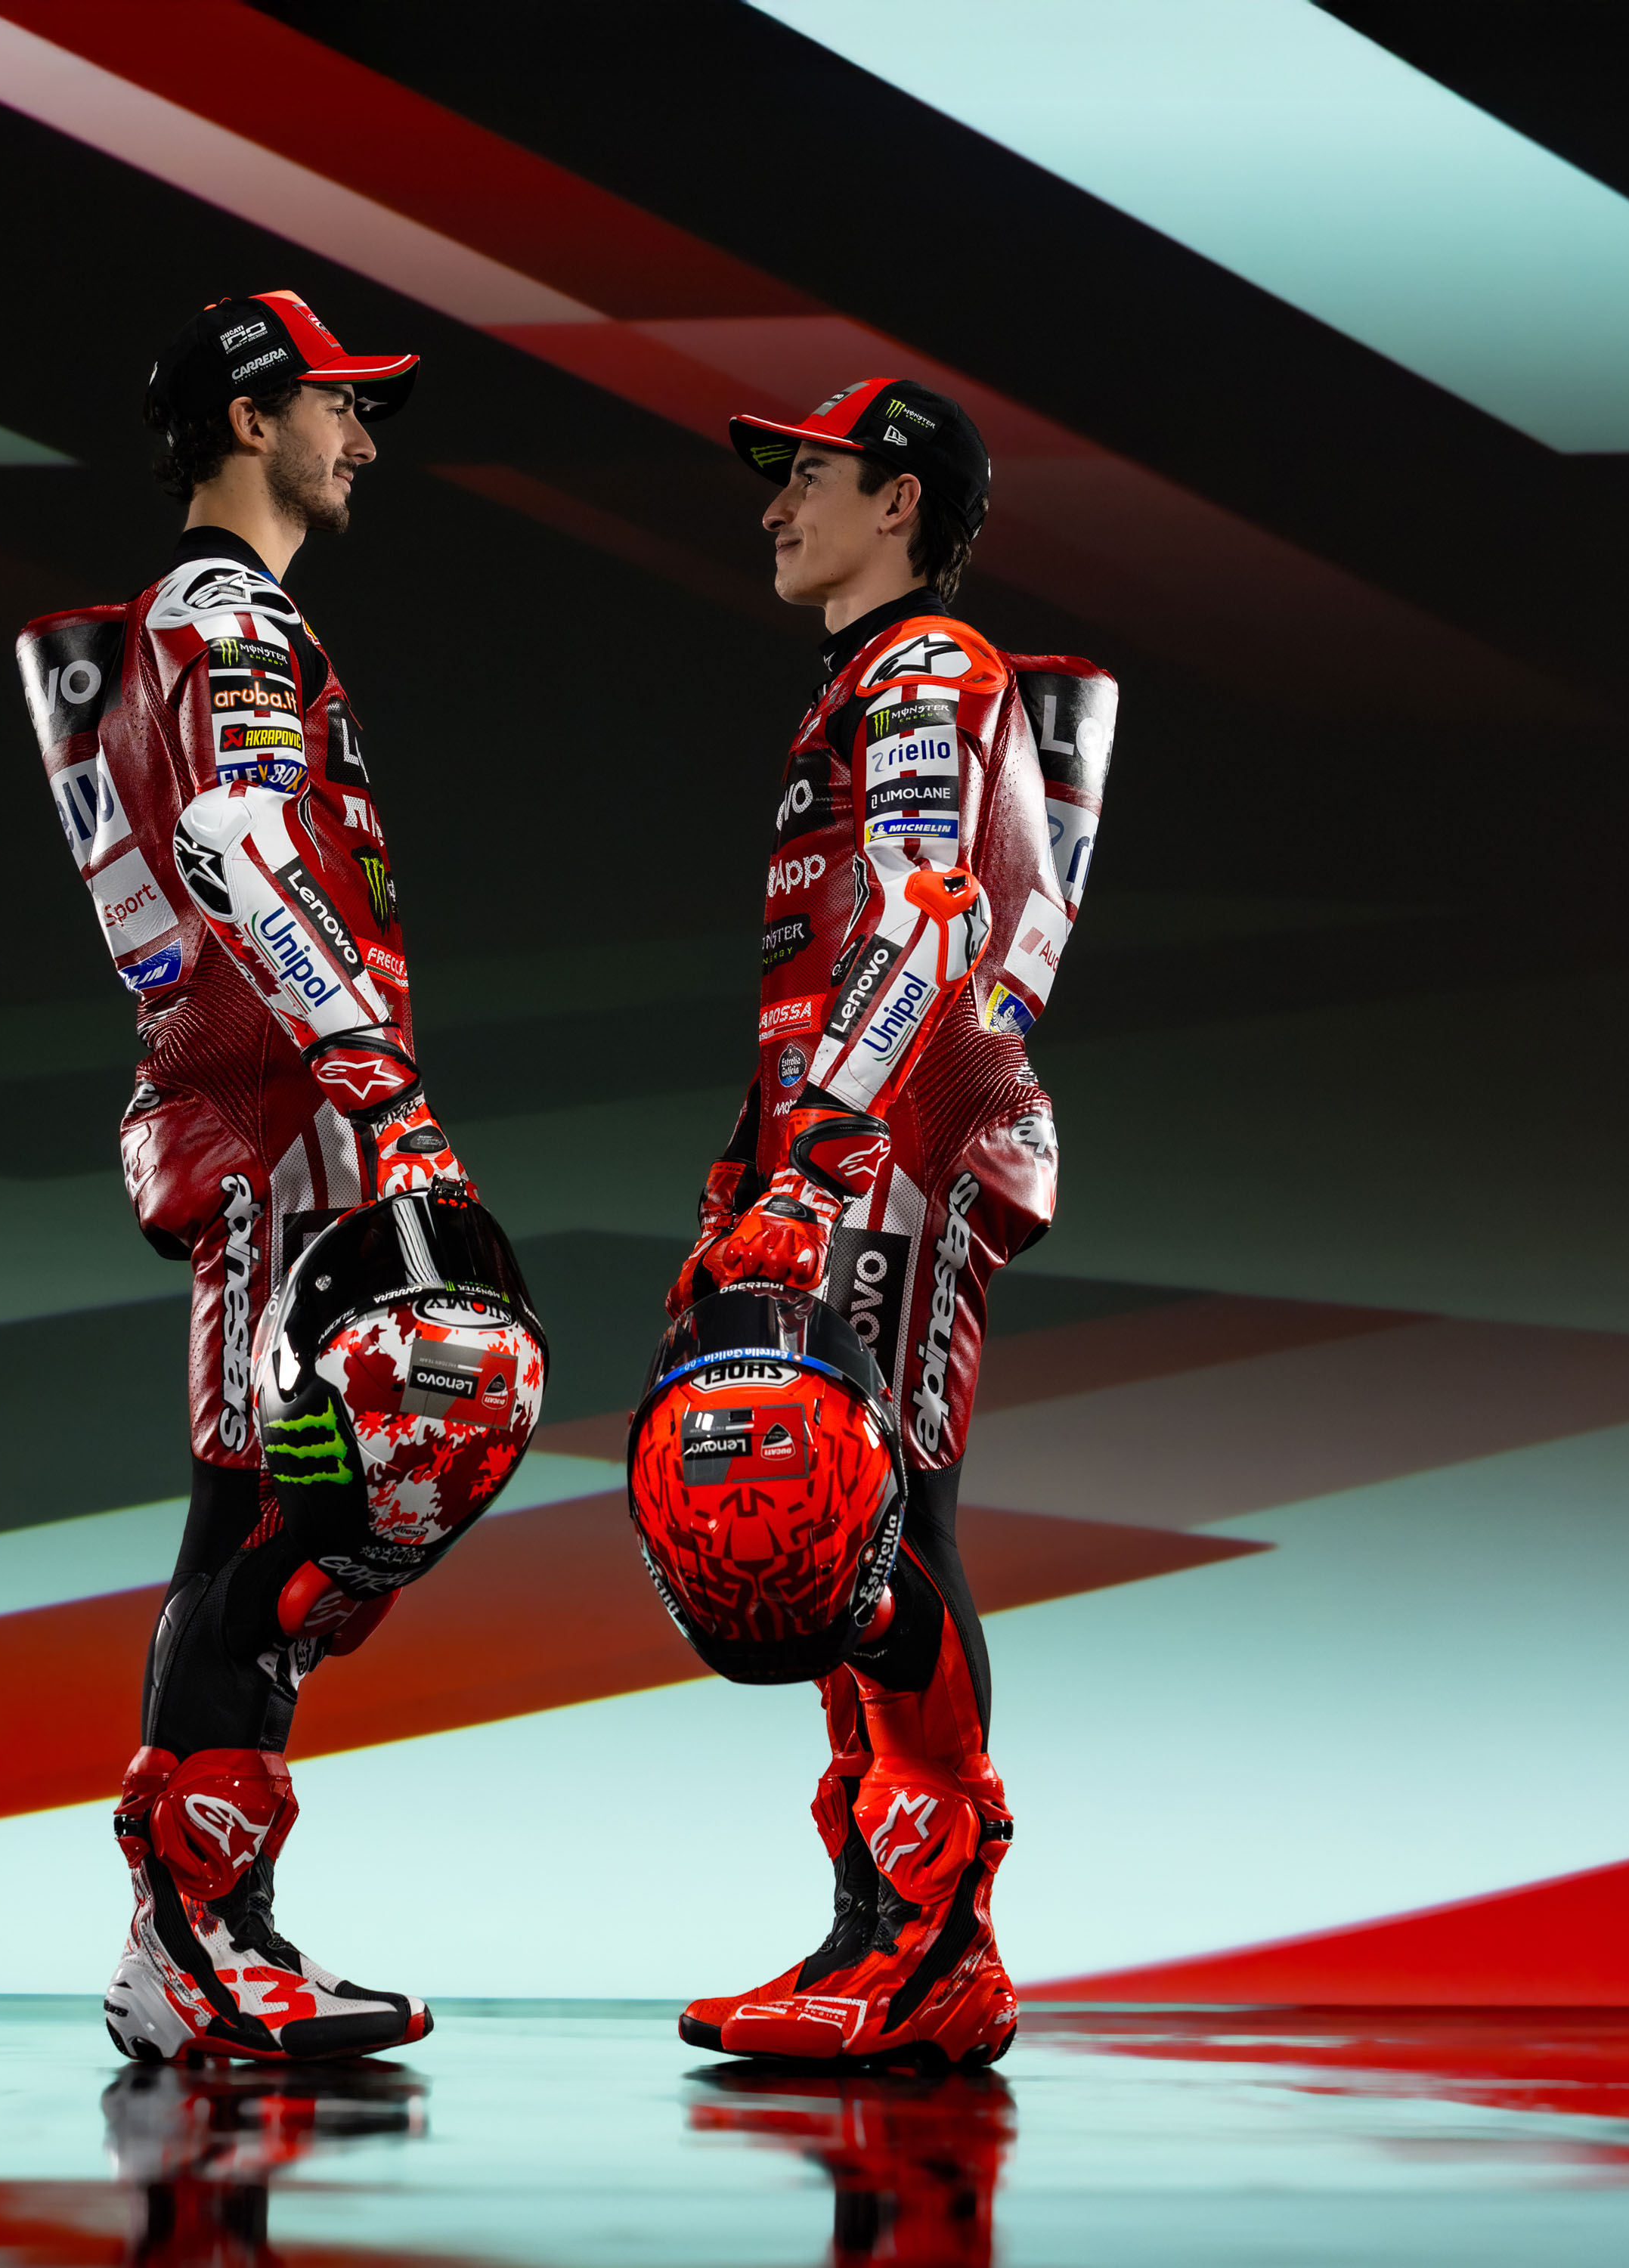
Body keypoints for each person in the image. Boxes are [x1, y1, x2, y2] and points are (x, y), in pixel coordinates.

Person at [17, 290, 497, 2062]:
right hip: (289, 1132)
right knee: (265, 1521)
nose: (361, 438)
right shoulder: (228, 616)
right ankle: (188, 1946)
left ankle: (217, 1936)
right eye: (337, 405)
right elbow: (234, 841)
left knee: (290, 1518)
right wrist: (370, 1078)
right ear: (248, 419)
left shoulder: (225, 616)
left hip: (285, 1121)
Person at [638, 378, 1116, 2067]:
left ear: (902, 501)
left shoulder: (921, 670)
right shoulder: (868, 680)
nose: (776, 508)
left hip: (896, 1155)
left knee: (883, 1517)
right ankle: (878, 1933)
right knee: (835, 1532)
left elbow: (926, 911)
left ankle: (937, 1947)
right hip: (851, 1148)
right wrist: (752, 1160)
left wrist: (820, 1166)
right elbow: (835, 973)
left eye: (810, 477)